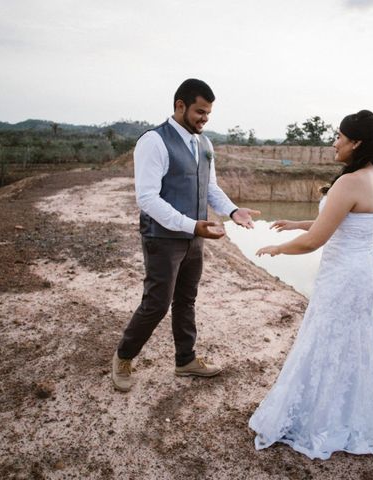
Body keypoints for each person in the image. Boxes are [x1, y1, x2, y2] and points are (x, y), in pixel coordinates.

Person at [249, 110, 373, 459]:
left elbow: (317, 241)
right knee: (353, 344)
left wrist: (279, 248)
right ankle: (351, 415)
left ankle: (318, 421)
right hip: (362, 275)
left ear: (356, 142)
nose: (334, 143)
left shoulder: (349, 181)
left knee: (326, 340)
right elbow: (345, 223)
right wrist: (298, 223)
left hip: (344, 277)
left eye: (339, 137)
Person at [112, 79, 260, 392]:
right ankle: (123, 357)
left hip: (195, 237)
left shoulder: (204, 144)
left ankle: (185, 360)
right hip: (162, 238)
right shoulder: (154, 141)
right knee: (157, 303)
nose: (204, 119)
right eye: (199, 112)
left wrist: (233, 212)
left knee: (186, 300)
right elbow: (148, 199)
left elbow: (209, 187)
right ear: (180, 105)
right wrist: (192, 225)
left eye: (208, 114)